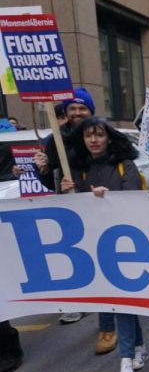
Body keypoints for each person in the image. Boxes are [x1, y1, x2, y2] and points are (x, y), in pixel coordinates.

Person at [58, 117, 148, 372]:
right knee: (121, 301)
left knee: (120, 302)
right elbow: (70, 211)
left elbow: (134, 199)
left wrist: (109, 199)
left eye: (99, 135)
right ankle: (140, 348)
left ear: (109, 137)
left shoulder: (124, 165)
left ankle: (125, 360)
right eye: (88, 136)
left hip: (125, 245)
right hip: (93, 246)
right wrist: (67, 192)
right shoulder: (78, 170)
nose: (94, 140)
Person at [34, 88, 101, 326]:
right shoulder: (56, 139)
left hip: (96, 200)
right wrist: (42, 170)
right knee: (73, 255)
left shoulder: (100, 133)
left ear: (90, 110)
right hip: (69, 203)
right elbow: (51, 175)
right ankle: (77, 302)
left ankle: (106, 304)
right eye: (72, 108)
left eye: (82, 108)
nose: (77, 112)